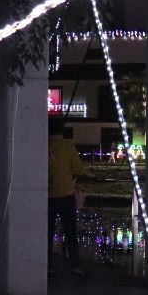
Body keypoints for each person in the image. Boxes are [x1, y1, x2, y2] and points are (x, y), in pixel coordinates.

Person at [48, 119, 86, 277]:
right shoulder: (67, 146)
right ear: (61, 131)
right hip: (66, 195)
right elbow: (79, 169)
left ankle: (47, 265)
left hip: (47, 196)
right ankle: (75, 265)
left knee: (47, 233)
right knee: (70, 231)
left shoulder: (43, 146)